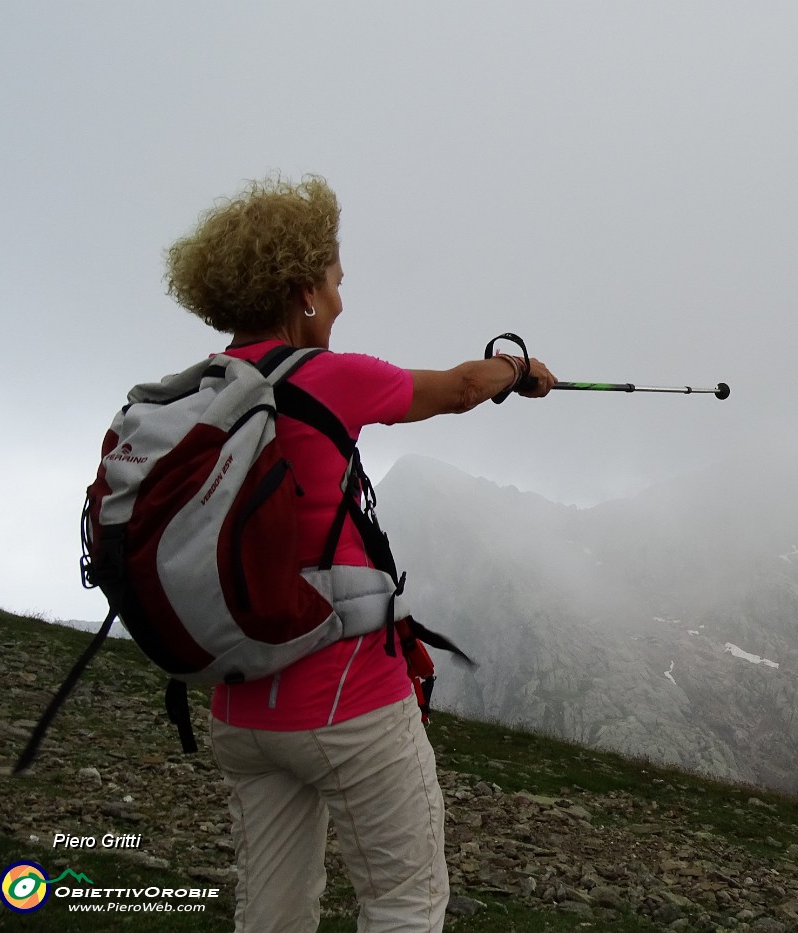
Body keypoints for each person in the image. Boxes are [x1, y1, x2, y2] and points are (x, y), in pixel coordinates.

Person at [163, 173, 556, 933]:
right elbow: (463, 386)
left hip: (238, 711)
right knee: (404, 905)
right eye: (337, 282)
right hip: (347, 702)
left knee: (269, 914)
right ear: (304, 290)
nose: (343, 299)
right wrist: (522, 371)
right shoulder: (328, 378)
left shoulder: (193, 395)